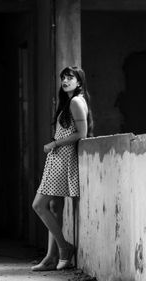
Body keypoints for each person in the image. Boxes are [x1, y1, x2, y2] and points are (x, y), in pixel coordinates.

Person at [31, 66, 93, 271]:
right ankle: (51, 257)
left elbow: (82, 133)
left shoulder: (75, 101)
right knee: (55, 209)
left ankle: (64, 248)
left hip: (62, 157)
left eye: (70, 77)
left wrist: (54, 144)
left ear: (79, 82)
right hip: (59, 157)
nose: (65, 80)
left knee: (39, 205)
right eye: (63, 77)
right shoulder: (70, 101)